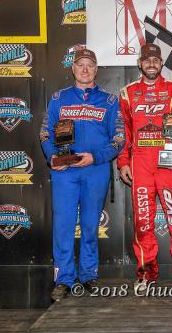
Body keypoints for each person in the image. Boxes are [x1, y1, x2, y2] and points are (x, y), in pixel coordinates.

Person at [40, 49, 125, 301]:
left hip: (95, 170)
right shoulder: (58, 99)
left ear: (96, 69)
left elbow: (119, 139)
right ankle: (64, 278)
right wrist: (52, 157)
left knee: (90, 225)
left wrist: (96, 157)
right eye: (80, 65)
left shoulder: (110, 101)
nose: (85, 69)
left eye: (90, 65)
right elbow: (45, 133)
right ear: (73, 69)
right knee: (63, 226)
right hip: (64, 172)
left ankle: (88, 275)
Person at [117, 43, 172, 294]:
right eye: (146, 61)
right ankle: (146, 274)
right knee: (143, 224)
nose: (151, 64)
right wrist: (123, 162)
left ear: (161, 63)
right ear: (140, 64)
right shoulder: (127, 93)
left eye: (155, 60)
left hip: (169, 165)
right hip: (140, 165)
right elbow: (124, 133)